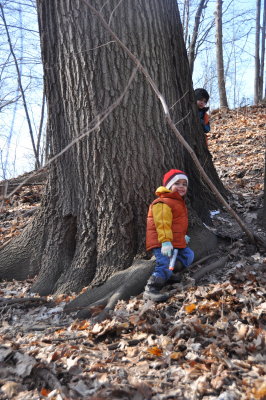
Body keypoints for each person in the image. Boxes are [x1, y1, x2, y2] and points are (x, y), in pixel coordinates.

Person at [144, 169, 194, 301]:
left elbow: (177, 224)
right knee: (164, 264)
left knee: (188, 255)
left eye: (184, 184)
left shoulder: (177, 202)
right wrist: (165, 242)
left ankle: (168, 274)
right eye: (177, 183)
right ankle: (151, 289)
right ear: (168, 186)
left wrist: (182, 236)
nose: (181, 187)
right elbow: (163, 224)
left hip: (174, 240)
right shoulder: (162, 203)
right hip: (162, 241)